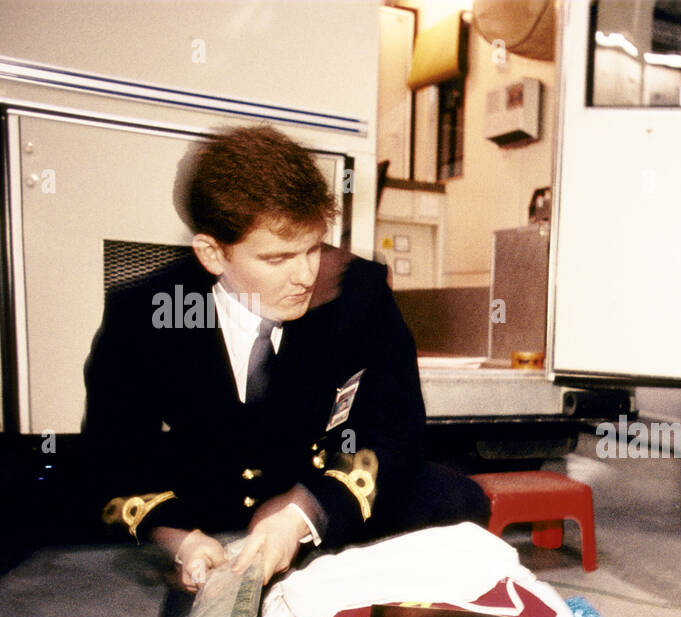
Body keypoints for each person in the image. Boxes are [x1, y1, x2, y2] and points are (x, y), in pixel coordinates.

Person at [83, 125, 488, 592]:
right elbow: (110, 457)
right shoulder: (145, 313)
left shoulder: (360, 294)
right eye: (277, 259)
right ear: (212, 253)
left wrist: (302, 514)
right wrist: (180, 540)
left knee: (454, 499)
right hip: (203, 518)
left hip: (321, 508)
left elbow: (396, 432)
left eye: (314, 247)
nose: (306, 275)